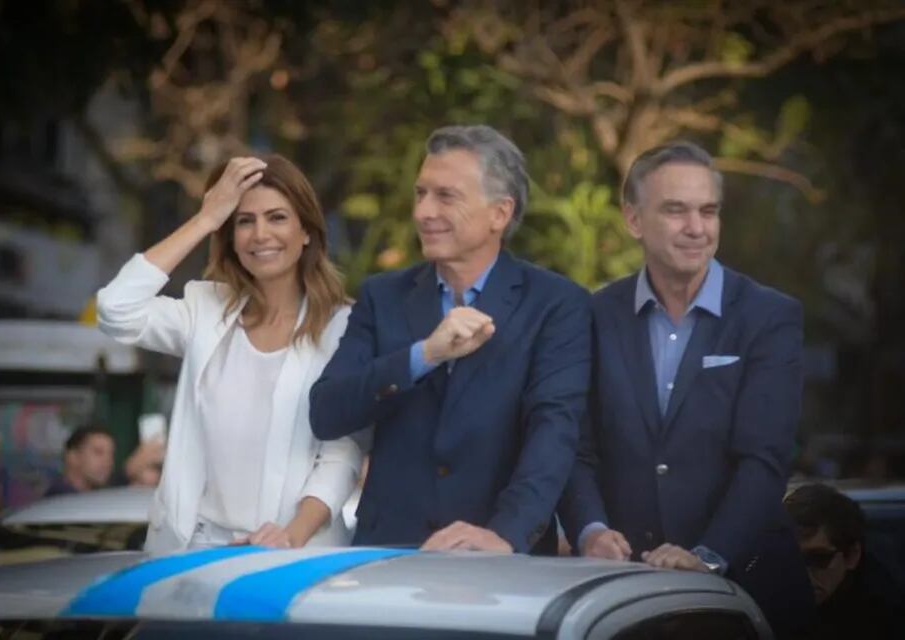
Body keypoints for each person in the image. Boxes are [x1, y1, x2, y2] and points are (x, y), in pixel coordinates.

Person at [558, 141, 815, 636]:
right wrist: (590, 529)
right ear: (633, 220)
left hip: (748, 593)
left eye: (708, 211)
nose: (697, 228)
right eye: (675, 210)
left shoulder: (769, 316)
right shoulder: (594, 316)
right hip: (626, 599)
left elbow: (764, 458)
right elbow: (576, 449)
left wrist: (707, 555)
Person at [310, 125, 591, 554]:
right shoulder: (382, 296)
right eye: (420, 194)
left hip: (501, 563)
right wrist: (424, 355)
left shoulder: (556, 304)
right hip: (389, 555)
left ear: (499, 213)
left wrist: (505, 535)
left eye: (446, 196)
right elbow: (327, 412)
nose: (423, 212)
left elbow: (553, 434)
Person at [96, 154, 361, 553]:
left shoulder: (343, 327)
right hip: (194, 551)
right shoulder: (205, 310)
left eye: (277, 217)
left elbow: (343, 454)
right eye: (243, 220)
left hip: (297, 555)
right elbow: (115, 309)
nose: (259, 234)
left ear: (306, 231)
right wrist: (206, 218)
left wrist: (292, 534)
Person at [784, 483, 904, 639]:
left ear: (851, 556)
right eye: (789, 558)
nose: (801, 572)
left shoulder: (884, 615)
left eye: (818, 558)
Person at [45, 425, 116, 496]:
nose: (108, 462)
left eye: (111, 455)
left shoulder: (91, 497)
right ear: (73, 456)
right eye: (98, 452)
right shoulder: (60, 500)